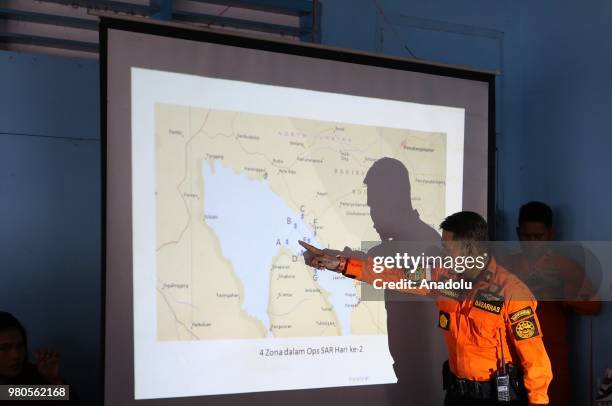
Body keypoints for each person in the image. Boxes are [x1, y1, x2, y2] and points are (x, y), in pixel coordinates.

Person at [301, 211, 553, 405]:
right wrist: (340, 264)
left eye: (448, 248)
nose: (443, 253)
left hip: (497, 398)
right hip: (457, 397)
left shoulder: (512, 292)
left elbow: (536, 362)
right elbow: (394, 275)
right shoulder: (442, 277)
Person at [500, 201, 601, 406]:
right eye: (527, 236)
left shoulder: (564, 266)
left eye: (539, 237)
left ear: (551, 234)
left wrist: (561, 290)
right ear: (518, 233)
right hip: (511, 361)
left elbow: (593, 306)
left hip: (552, 363)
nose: (532, 243)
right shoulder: (506, 266)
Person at [0, 311, 78, 404]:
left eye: (20, 346)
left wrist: (54, 380)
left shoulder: (29, 380)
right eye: (4, 348)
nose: (16, 355)